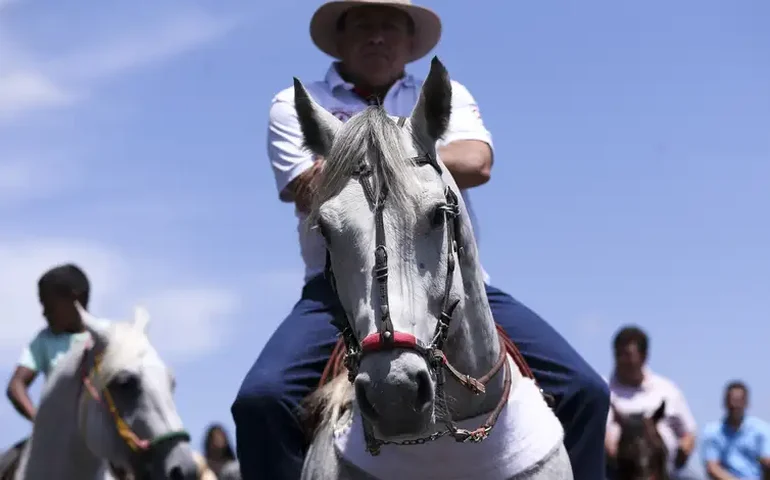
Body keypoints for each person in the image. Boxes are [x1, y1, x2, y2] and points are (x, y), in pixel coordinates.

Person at [231, 1, 610, 478]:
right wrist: (412, 152)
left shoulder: (442, 92)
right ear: (340, 38)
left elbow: (478, 160)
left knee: (585, 392)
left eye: (390, 25)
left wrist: (370, 157)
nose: (377, 36)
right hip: (338, 292)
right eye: (363, 24)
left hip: (455, 282)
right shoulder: (296, 103)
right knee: (261, 401)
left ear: (411, 43)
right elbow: (303, 186)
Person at [2, 263, 109, 477]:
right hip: (52, 437)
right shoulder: (44, 341)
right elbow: (16, 385)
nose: (44, 313)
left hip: (100, 435)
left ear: (75, 299)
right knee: (6, 464)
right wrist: (40, 420)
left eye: (48, 306)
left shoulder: (106, 336)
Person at [604, 325, 700, 479]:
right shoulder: (603, 391)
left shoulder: (667, 390)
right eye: (619, 354)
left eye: (628, 355)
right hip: (617, 471)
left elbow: (688, 432)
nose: (623, 360)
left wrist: (683, 450)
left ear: (644, 356)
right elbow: (602, 434)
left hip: (667, 471)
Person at [701, 381, 770, 479]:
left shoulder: (761, 429)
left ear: (746, 402)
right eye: (732, 400)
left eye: (739, 400)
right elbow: (712, 467)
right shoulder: (712, 431)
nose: (735, 405)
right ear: (725, 402)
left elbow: (767, 460)